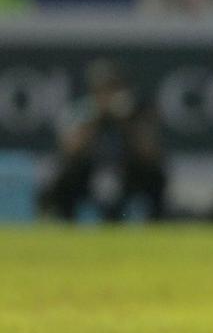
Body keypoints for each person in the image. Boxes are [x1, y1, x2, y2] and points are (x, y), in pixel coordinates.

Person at [40, 59, 166, 221]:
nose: (107, 95)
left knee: (155, 177)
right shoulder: (81, 111)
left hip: (126, 170)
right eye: (102, 89)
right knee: (63, 179)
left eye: (113, 89)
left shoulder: (135, 112)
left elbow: (149, 152)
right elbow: (70, 151)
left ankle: (154, 226)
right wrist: (96, 120)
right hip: (89, 171)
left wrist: (126, 124)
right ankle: (66, 226)